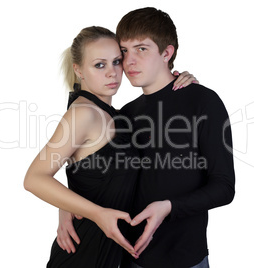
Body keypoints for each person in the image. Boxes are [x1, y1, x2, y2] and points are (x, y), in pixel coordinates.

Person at [58, 7, 235, 268]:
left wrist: (169, 207)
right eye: (124, 52)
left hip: (186, 259)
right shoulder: (124, 116)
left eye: (141, 49)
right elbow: (86, 167)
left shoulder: (202, 101)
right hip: (129, 258)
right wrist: (64, 208)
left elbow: (223, 187)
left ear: (167, 53)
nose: (129, 62)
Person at [24, 26, 196, 268]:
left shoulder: (116, 116)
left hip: (112, 256)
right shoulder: (83, 114)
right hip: (82, 254)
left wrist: (178, 85)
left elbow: (85, 173)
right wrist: (96, 214)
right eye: (99, 65)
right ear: (78, 69)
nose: (113, 73)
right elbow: (34, 178)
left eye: (117, 61)